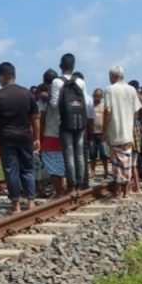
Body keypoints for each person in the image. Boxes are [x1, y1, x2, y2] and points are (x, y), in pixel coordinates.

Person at [0, 62, 40, 213]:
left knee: (11, 170)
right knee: (27, 168)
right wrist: (37, 137)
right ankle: (30, 201)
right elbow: (35, 118)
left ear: (3, 77)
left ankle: (15, 204)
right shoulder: (27, 94)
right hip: (25, 137)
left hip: (6, 138)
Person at [50, 53, 87, 193]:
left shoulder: (57, 82)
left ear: (61, 66)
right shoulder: (80, 82)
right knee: (80, 154)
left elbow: (54, 104)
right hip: (80, 122)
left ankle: (71, 186)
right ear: (73, 66)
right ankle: (79, 184)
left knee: (69, 154)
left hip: (65, 122)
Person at [104, 65, 142, 198]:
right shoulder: (131, 90)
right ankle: (126, 190)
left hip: (115, 132)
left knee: (116, 164)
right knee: (127, 162)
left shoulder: (109, 90)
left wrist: (105, 130)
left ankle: (118, 191)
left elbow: (107, 112)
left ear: (113, 76)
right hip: (128, 133)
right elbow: (136, 112)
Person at [39, 68, 66, 197]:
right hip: (64, 134)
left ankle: (58, 193)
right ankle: (61, 190)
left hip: (50, 134)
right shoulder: (65, 93)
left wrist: (39, 137)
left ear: (45, 83)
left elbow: (42, 119)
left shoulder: (45, 98)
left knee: (52, 166)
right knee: (60, 165)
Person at [89, 88, 109, 178]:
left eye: (99, 97)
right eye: (96, 96)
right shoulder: (90, 106)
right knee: (92, 154)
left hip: (102, 134)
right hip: (92, 133)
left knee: (104, 154)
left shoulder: (104, 106)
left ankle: (106, 171)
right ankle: (92, 171)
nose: (98, 98)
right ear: (93, 96)